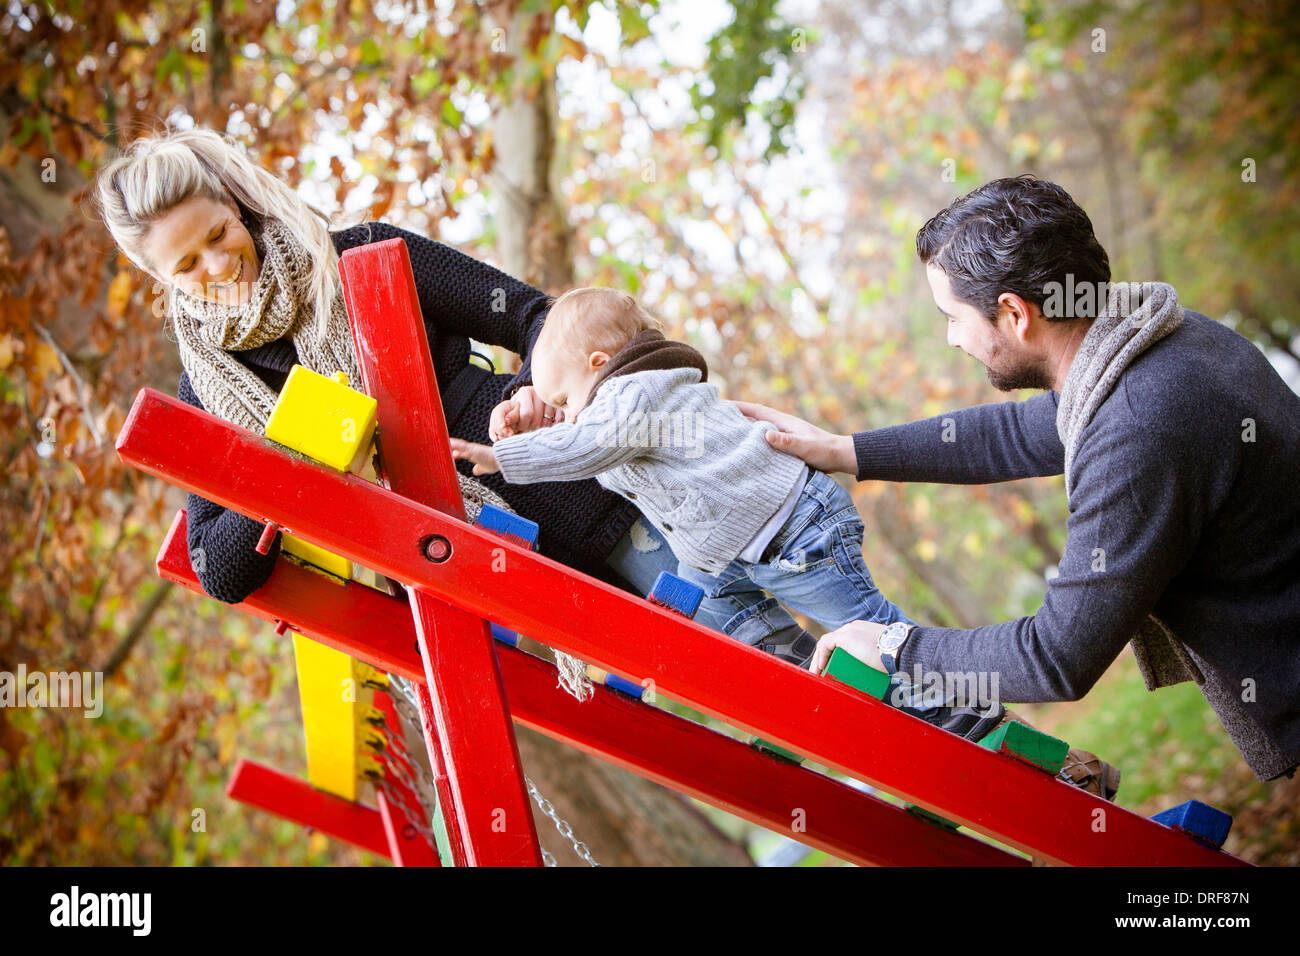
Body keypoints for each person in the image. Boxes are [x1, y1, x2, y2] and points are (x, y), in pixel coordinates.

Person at [91, 126, 822, 661]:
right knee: (726, 718)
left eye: (219, 233)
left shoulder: (359, 256)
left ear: (235, 203)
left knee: (770, 655)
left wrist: (548, 396)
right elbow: (219, 567)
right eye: (188, 264)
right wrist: (285, 469)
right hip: (486, 588)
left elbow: (533, 317)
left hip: (590, 503)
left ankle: (929, 737)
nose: (221, 265)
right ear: (161, 280)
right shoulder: (207, 396)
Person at [740, 175, 1300, 785]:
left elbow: (1058, 656)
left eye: (951, 317)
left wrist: (899, 650)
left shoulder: (1137, 425)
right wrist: (844, 450)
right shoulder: (1164, 341)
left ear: (1014, 312)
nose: (953, 338)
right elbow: (1016, 433)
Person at [448, 284, 1043, 748]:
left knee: (877, 632)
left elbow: (588, 445)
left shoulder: (633, 399)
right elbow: (591, 441)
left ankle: (971, 713)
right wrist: (529, 417)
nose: (567, 414)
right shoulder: (627, 395)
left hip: (796, 534)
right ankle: (802, 678)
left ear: (601, 363)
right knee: (705, 599)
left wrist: (498, 455)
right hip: (741, 546)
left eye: (566, 400)